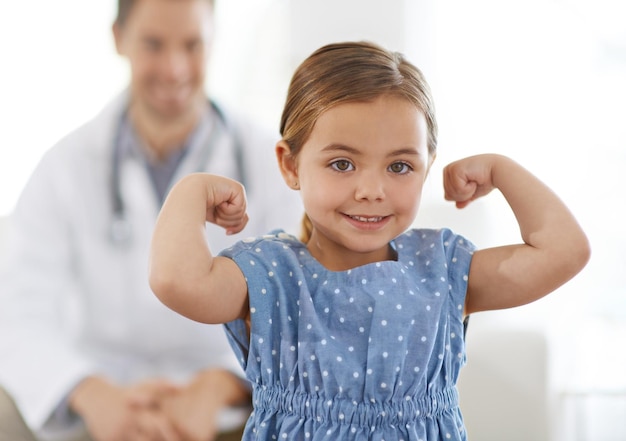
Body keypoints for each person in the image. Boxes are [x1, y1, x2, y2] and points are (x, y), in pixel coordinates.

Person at [148, 41, 591, 440]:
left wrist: (502, 170)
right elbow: (176, 281)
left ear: (427, 167)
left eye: (399, 167)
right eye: (342, 164)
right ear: (290, 165)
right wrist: (191, 191)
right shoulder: (271, 276)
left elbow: (564, 251)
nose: (371, 190)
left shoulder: (442, 269)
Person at [0, 0, 301, 440]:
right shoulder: (64, 167)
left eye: (192, 45)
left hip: (232, 407)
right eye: (154, 44)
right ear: (118, 39)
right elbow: (17, 310)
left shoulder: (269, 163)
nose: (175, 69)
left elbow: (301, 305)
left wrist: (223, 386)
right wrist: (87, 392)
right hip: (100, 405)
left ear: (214, 40)